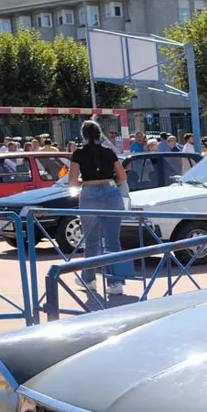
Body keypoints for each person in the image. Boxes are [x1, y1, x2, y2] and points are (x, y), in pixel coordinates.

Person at [67, 119, 131, 296]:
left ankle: (89, 280)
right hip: (111, 193)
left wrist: (86, 182)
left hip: (89, 194)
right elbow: (122, 177)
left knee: (92, 241)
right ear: (99, 134)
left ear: (83, 135)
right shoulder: (109, 152)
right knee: (113, 240)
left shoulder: (78, 154)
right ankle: (116, 283)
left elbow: (72, 181)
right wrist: (110, 183)